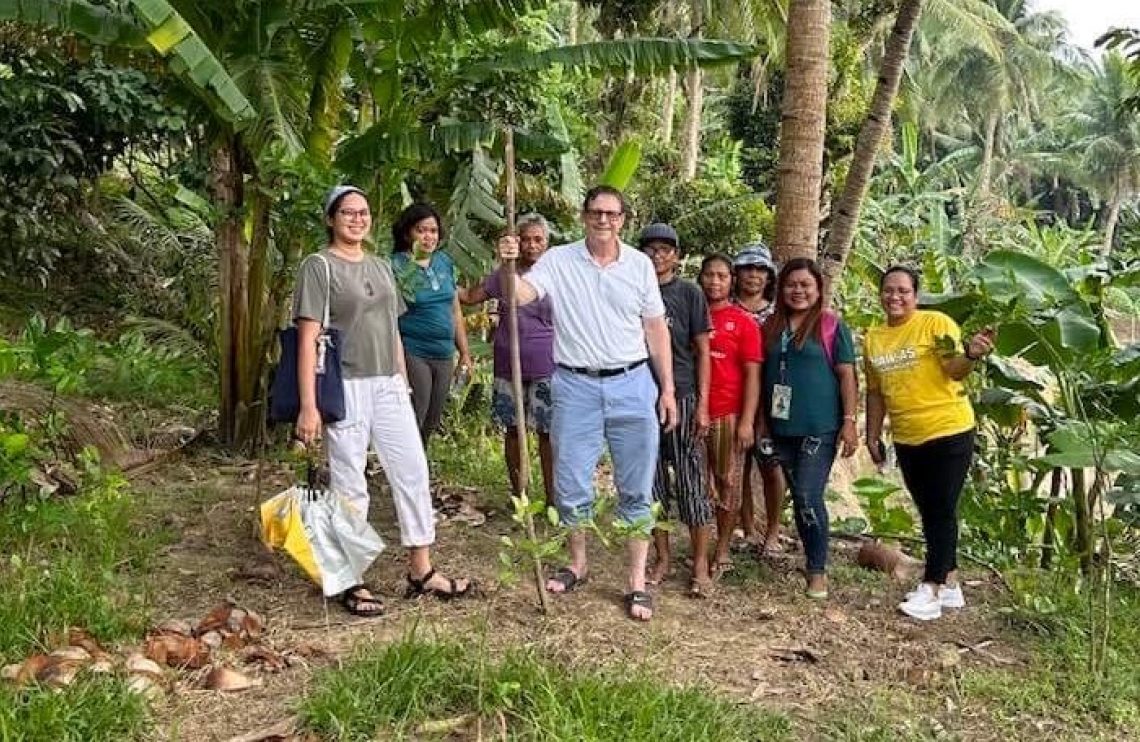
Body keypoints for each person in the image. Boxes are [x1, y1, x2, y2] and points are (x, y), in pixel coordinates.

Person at [497, 185, 677, 622]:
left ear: (622, 220)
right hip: (574, 385)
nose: (603, 220)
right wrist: (507, 264)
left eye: (611, 214)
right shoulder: (558, 260)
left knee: (636, 484)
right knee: (571, 481)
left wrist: (667, 388)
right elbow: (519, 296)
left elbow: (655, 330)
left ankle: (636, 580)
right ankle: (577, 563)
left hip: (633, 383)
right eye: (596, 212)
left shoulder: (638, 265)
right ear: (583, 216)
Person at [293, 185, 472, 617]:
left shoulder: (379, 265)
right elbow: (307, 338)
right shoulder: (319, 267)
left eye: (364, 212)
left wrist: (400, 378)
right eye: (348, 213)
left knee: (412, 470)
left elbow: (391, 327)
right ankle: (351, 580)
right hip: (345, 383)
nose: (357, 219)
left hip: (388, 383)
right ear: (331, 219)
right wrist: (308, 405)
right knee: (350, 481)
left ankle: (421, 569)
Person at [864, 265, 994, 620]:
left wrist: (970, 354)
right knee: (929, 510)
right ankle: (951, 584)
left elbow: (954, 369)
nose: (895, 297)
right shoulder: (874, 338)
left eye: (903, 291)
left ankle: (931, 588)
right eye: (889, 290)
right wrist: (871, 433)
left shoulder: (935, 323)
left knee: (941, 509)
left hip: (949, 429)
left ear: (915, 296)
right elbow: (875, 393)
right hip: (906, 435)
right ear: (881, 294)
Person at [756, 258, 858, 599]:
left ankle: (817, 572)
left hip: (821, 426)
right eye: (791, 285)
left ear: (817, 289)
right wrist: (760, 424)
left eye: (805, 285)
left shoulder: (830, 325)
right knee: (800, 497)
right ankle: (811, 560)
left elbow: (847, 375)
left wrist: (849, 422)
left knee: (807, 495)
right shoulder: (770, 326)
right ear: (780, 288)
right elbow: (758, 376)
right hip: (781, 427)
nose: (798, 291)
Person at [459, 213, 555, 505]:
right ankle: (519, 496)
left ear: (547, 243)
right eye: (525, 239)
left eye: (537, 239)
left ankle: (553, 498)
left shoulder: (555, 273)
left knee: (548, 433)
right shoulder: (503, 273)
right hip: (507, 363)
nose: (531, 246)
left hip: (547, 364)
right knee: (513, 431)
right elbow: (470, 297)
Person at [637, 223, 712, 595]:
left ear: (676, 256)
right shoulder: (631, 289)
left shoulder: (689, 293)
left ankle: (699, 564)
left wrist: (703, 404)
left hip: (681, 396)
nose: (658, 255)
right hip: (638, 397)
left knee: (690, 481)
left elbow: (702, 351)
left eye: (666, 249)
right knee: (651, 483)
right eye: (651, 248)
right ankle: (662, 557)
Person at [698, 254, 763, 581]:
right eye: (709, 275)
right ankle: (700, 549)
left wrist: (747, 420)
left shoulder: (743, 322)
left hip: (728, 413)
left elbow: (753, 375)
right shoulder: (691, 314)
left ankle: (722, 549)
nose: (714, 281)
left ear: (731, 280)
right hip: (693, 413)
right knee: (700, 483)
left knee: (729, 482)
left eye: (722, 276)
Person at [390, 203, 472, 445]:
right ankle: (404, 471)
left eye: (433, 231)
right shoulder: (395, 265)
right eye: (421, 230)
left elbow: (454, 309)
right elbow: (389, 314)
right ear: (408, 233)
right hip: (413, 349)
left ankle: (419, 464)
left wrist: (465, 353)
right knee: (417, 409)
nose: (429, 237)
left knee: (433, 417)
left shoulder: (444, 262)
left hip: (444, 352)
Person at [733, 244, 788, 556]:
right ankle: (747, 528)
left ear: (769, 277)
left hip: (771, 401)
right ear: (737, 274)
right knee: (738, 467)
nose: (753, 275)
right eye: (747, 269)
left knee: (771, 464)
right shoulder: (723, 307)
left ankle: (773, 531)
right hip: (732, 398)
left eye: (760, 270)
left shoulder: (779, 313)